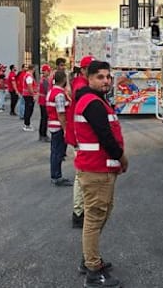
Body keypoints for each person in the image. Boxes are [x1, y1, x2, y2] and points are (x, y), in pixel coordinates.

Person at [75, 60, 127, 287]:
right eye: (100, 77)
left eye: (108, 77)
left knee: (98, 217)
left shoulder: (94, 100)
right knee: (95, 218)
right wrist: (122, 158)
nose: (106, 81)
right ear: (89, 78)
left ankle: (89, 259)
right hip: (97, 170)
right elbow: (106, 137)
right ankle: (93, 272)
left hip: (98, 169)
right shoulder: (93, 103)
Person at [68, 55, 95, 228]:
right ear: (83, 70)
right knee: (81, 176)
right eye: (90, 68)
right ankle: (78, 213)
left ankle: (81, 210)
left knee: (83, 175)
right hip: (80, 138)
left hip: (79, 137)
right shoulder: (81, 86)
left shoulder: (81, 83)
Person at [47, 70, 72, 186]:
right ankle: (57, 176)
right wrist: (65, 129)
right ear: (63, 80)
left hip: (53, 125)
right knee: (58, 152)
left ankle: (55, 174)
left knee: (55, 151)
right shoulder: (59, 94)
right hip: (58, 126)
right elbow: (61, 113)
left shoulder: (52, 91)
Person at [38, 64, 52, 142]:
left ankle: (41, 134)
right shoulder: (45, 80)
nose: (49, 72)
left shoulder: (43, 79)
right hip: (44, 101)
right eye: (48, 71)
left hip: (42, 101)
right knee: (44, 118)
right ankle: (43, 135)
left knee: (43, 118)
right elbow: (48, 91)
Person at [22, 65, 36, 131]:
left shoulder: (27, 75)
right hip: (28, 95)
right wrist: (33, 95)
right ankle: (26, 125)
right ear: (32, 69)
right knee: (29, 110)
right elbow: (30, 87)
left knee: (28, 109)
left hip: (27, 95)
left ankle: (27, 124)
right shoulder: (29, 76)